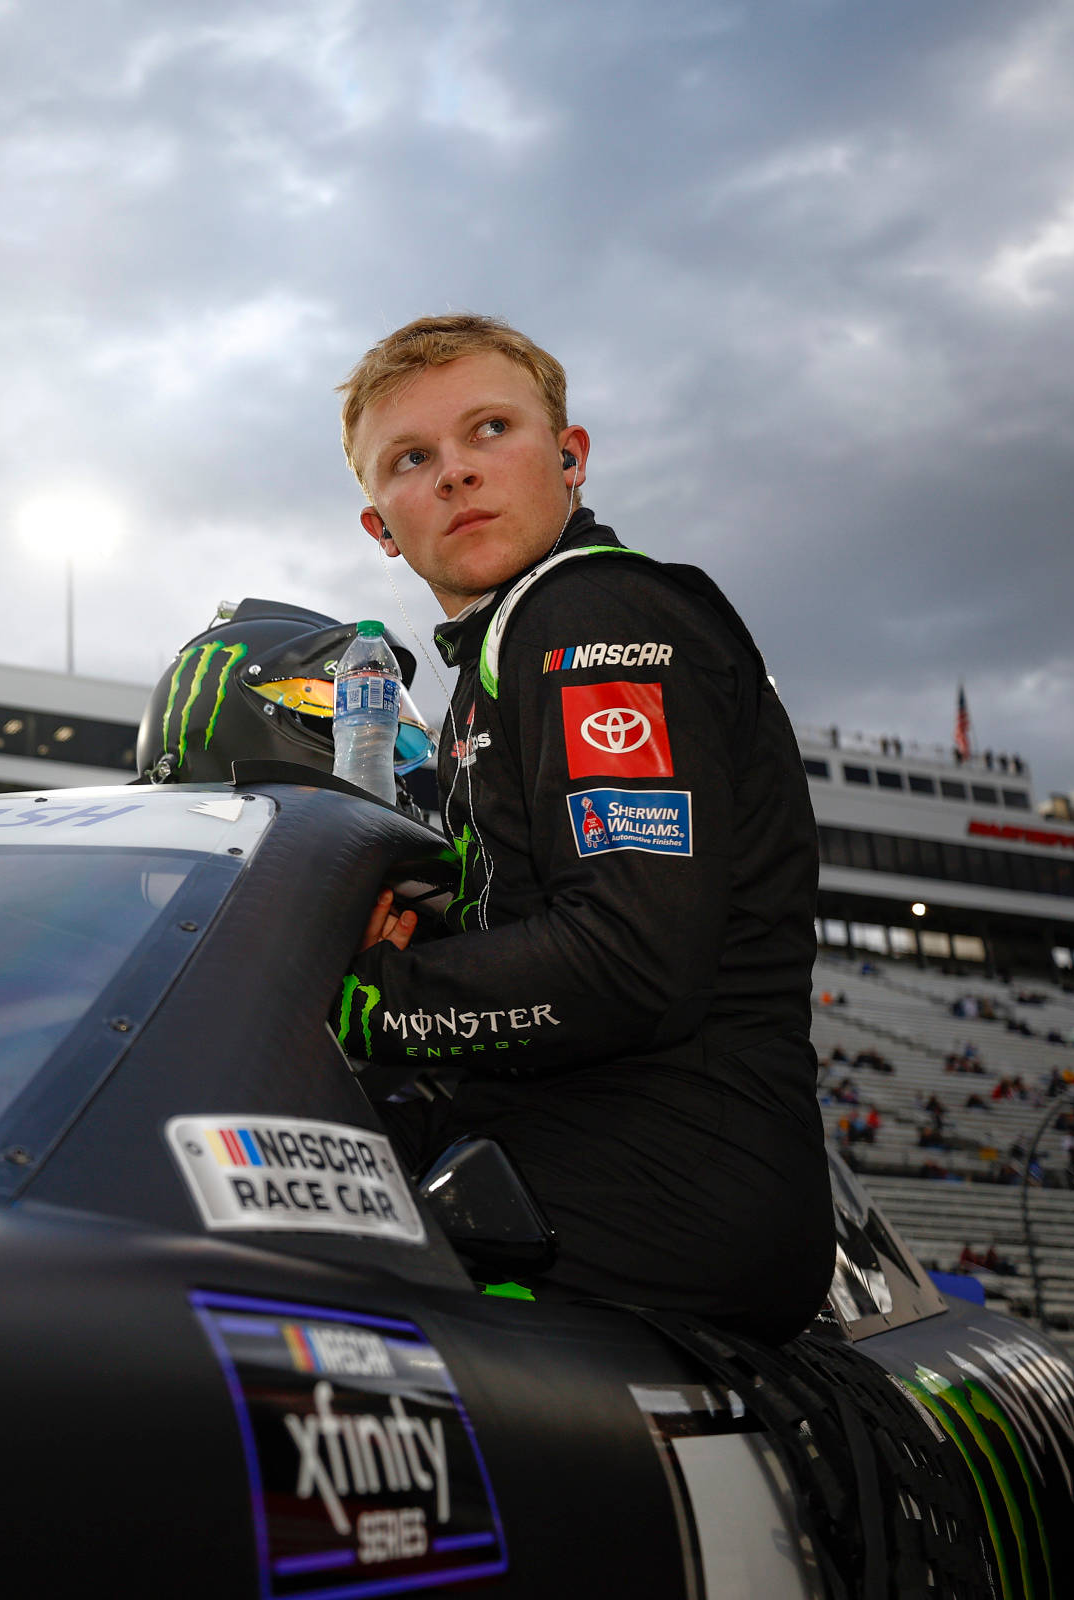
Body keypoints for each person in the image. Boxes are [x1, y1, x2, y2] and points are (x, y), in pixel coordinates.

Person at [329, 313, 832, 1343]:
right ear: (381, 524)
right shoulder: (499, 653)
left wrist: (362, 1003)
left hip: (638, 1231)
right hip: (600, 1211)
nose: (456, 473)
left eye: (490, 431)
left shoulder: (590, 612)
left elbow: (629, 959)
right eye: (413, 458)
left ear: (569, 457)